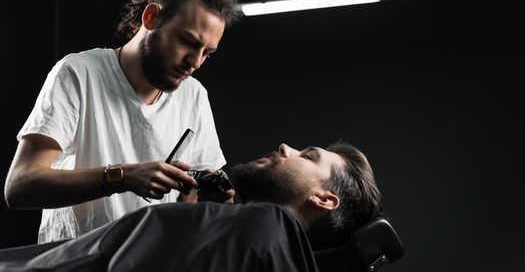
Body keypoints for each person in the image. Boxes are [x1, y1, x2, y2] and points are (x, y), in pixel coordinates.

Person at [3, 0, 239, 244]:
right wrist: (122, 177)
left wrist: (211, 201)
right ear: (151, 17)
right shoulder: (79, 72)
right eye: (188, 42)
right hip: (73, 262)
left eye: (207, 53)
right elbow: (20, 186)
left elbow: (188, 204)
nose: (196, 62)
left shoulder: (194, 96)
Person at [0, 141, 385, 272]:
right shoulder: (264, 246)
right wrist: (193, 216)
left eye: (308, 155)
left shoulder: (263, 226)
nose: (286, 148)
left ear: (324, 200)